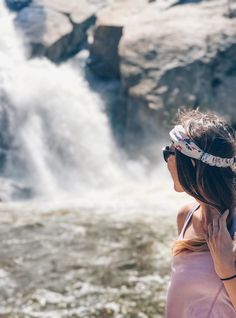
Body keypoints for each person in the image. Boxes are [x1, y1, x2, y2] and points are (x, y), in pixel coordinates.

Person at [163, 109, 236, 317]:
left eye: (170, 153)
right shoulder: (186, 215)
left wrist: (227, 271)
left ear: (192, 163)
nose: (167, 161)